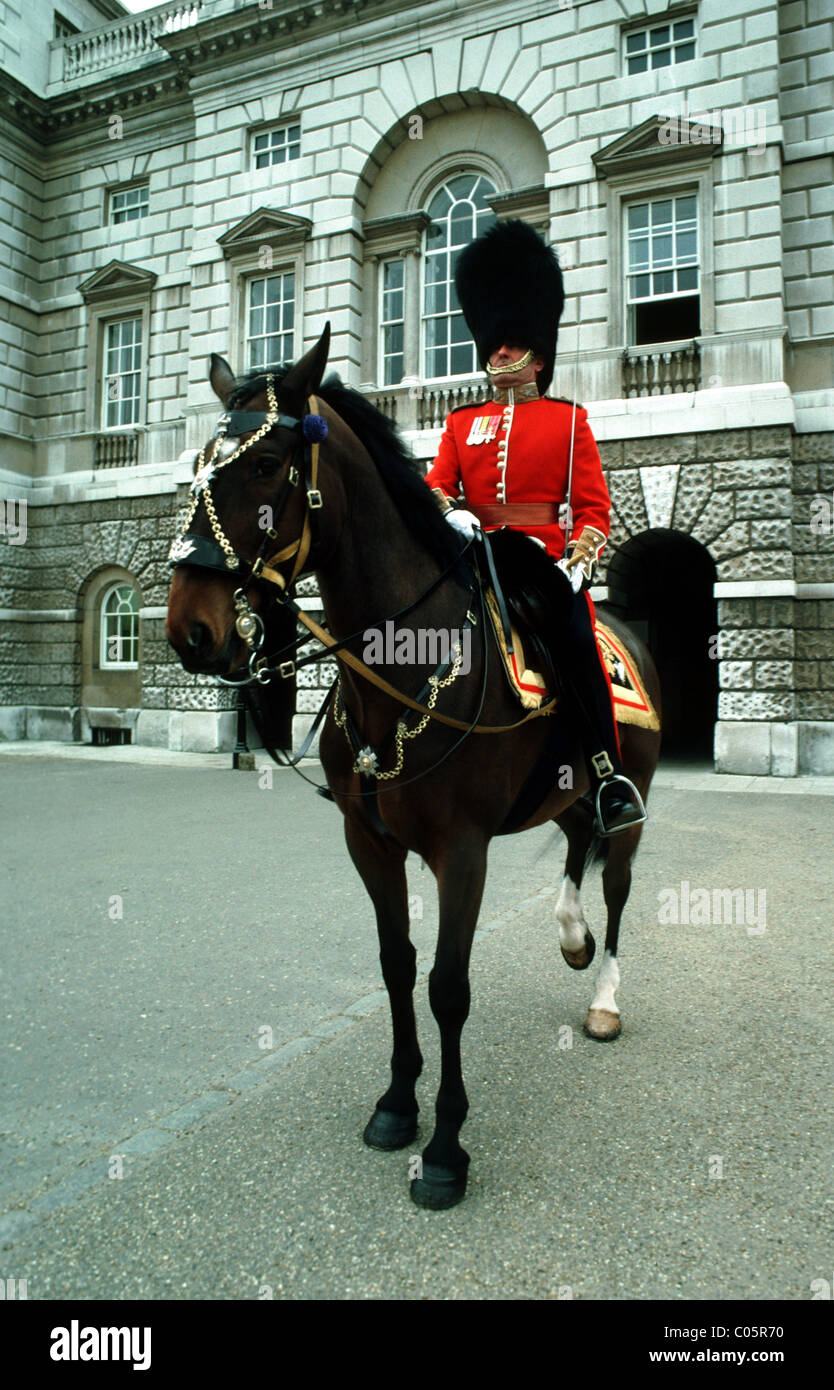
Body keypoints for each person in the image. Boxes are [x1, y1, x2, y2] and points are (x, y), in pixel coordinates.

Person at [423, 219, 645, 835]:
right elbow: (437, 483)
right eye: (492, 342)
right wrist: (451, 511)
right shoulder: (462, 422)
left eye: (510, 341)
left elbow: (593, 510)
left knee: (577, 643)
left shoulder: (568, 422)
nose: (497, 351)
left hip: (544, 566)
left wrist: (576, 562)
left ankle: (606, 776)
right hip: (476, 557)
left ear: (537, 354)